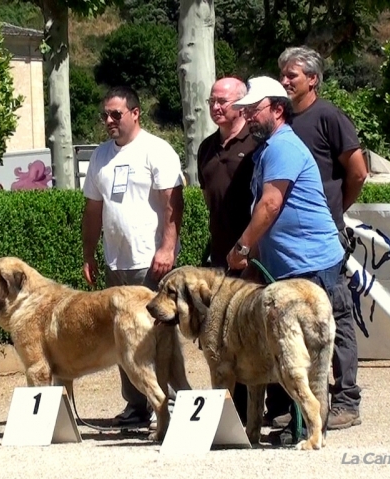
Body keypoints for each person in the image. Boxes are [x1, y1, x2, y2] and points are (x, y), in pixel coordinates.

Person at [225, 76, 345, 442]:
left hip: (311, 262)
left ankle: (315, 427)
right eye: (243, 111)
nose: (247, 118)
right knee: (289, 348)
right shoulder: (268, 150)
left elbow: (271, 204)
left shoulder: (283, 147)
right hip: (289, 266)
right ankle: (299, 425)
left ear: (277, 109)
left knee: (310, 349)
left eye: (253, 111)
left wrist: (242, 248)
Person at [269, 46, 368, 431]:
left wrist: (334, 212)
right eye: (282, 74)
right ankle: (298, 402)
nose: (285, 80)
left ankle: (346, 400)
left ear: (313, 79)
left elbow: (357, 172)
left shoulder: (328, 116)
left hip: (324, 243)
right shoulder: (280, 122)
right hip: (287, 247)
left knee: (336, 318)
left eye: (292, 74)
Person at [81, 85, 184, 429]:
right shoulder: (100, 156)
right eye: (105, 115)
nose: (109, 121)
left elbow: (173, 202)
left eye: (116, 114)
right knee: (123, 336)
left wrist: (167, 248)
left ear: (135, 113)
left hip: (150, 261)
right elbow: (93, 209)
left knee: (159, 334)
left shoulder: (157, 150)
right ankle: (136, 407)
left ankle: (175, 402)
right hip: (116, 263)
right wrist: (88, 253)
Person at [197, 77, 257, 424]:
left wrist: (251, 246)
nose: (217, 107)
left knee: (259, 331)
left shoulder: (257, 142)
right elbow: (209, 198)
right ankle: (236, 412)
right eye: (212, 101)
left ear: (241, 104)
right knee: (226, 334)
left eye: (224, 101)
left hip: (256, 254)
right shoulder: (206, 147)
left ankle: (278, 411)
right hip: (221, 257)